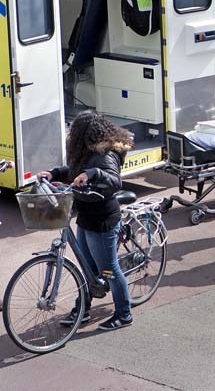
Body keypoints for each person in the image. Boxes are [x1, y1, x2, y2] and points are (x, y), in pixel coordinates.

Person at [37, 111, 134, 331]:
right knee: (87, 268)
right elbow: (73, 172)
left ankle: (124, 313)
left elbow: (114, 180)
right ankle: (83, 309)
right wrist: (53, 173)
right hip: (85, 216)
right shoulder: (85, 152)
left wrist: (92, 173)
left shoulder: (104, 154)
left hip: (103, 220)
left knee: (109, 270)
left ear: (82, 134)